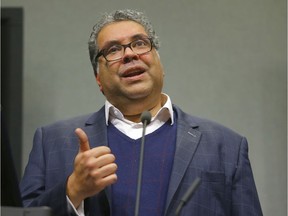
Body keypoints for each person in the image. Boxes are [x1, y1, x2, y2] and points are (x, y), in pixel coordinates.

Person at [20, 9, 263, 216]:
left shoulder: (226, 146)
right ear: (98, 79)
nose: (129, 54)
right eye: (113, 50)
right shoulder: (51, 141)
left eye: (140, 43)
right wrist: (72, 190)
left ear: (160, 64)